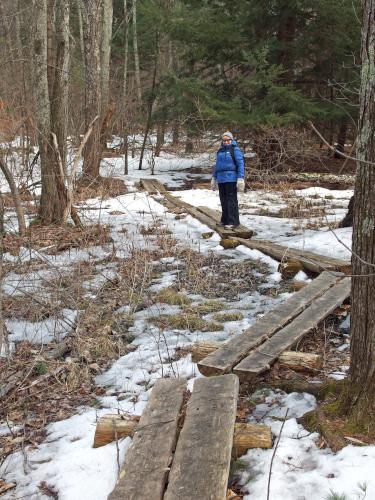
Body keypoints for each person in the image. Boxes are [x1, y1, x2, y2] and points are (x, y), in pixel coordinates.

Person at [211, 131, 245, 228]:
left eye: (228, 140)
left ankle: (233, 222)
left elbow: (241, 165)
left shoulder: (235, 150)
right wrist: (214, 177)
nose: (226, 142)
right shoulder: (220, 151)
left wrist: (240, 178)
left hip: (231, 179)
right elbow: (217, 166)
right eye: (224, 140)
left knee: (231, 200)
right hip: (221, 179)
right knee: (223, 200)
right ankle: (225, 220)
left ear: (231, 140)